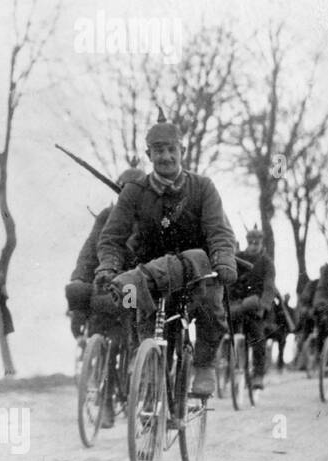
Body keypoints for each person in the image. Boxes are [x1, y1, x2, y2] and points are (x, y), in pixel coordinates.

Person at [95, 117, 237, 397]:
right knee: (132, 308)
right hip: (149, 276)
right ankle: (144, 365)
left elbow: (218, 230)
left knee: (211, 306)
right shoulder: (135, 192)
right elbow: (111, 237)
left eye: (172, 149)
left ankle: (205, 365)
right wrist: (108, 267)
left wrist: (223, 260)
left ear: (182, 150)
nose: (166, 156)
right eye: (158, 150)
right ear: (149, 155)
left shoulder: (202, 187)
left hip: (198, 273)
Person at [65, 169, 143, 339]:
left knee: (131, 322)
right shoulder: (107, 216)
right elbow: (89, 253)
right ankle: (97, 354)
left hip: (133, 290)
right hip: (108, 286)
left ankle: (129, 352)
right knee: (96, 315)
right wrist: (79, 281)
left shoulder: (149, 219)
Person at [230, 226, 276, 389]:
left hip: (255, 305)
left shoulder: (267, 263)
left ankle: (257, 375)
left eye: (256, 243)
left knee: (258, 337)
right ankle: (225, 365)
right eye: (250, 242)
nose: (253, 246)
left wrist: (263, 305)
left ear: (261, 243)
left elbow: (269, 286)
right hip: (236, 302)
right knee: (224, 331)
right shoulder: (238, 257)